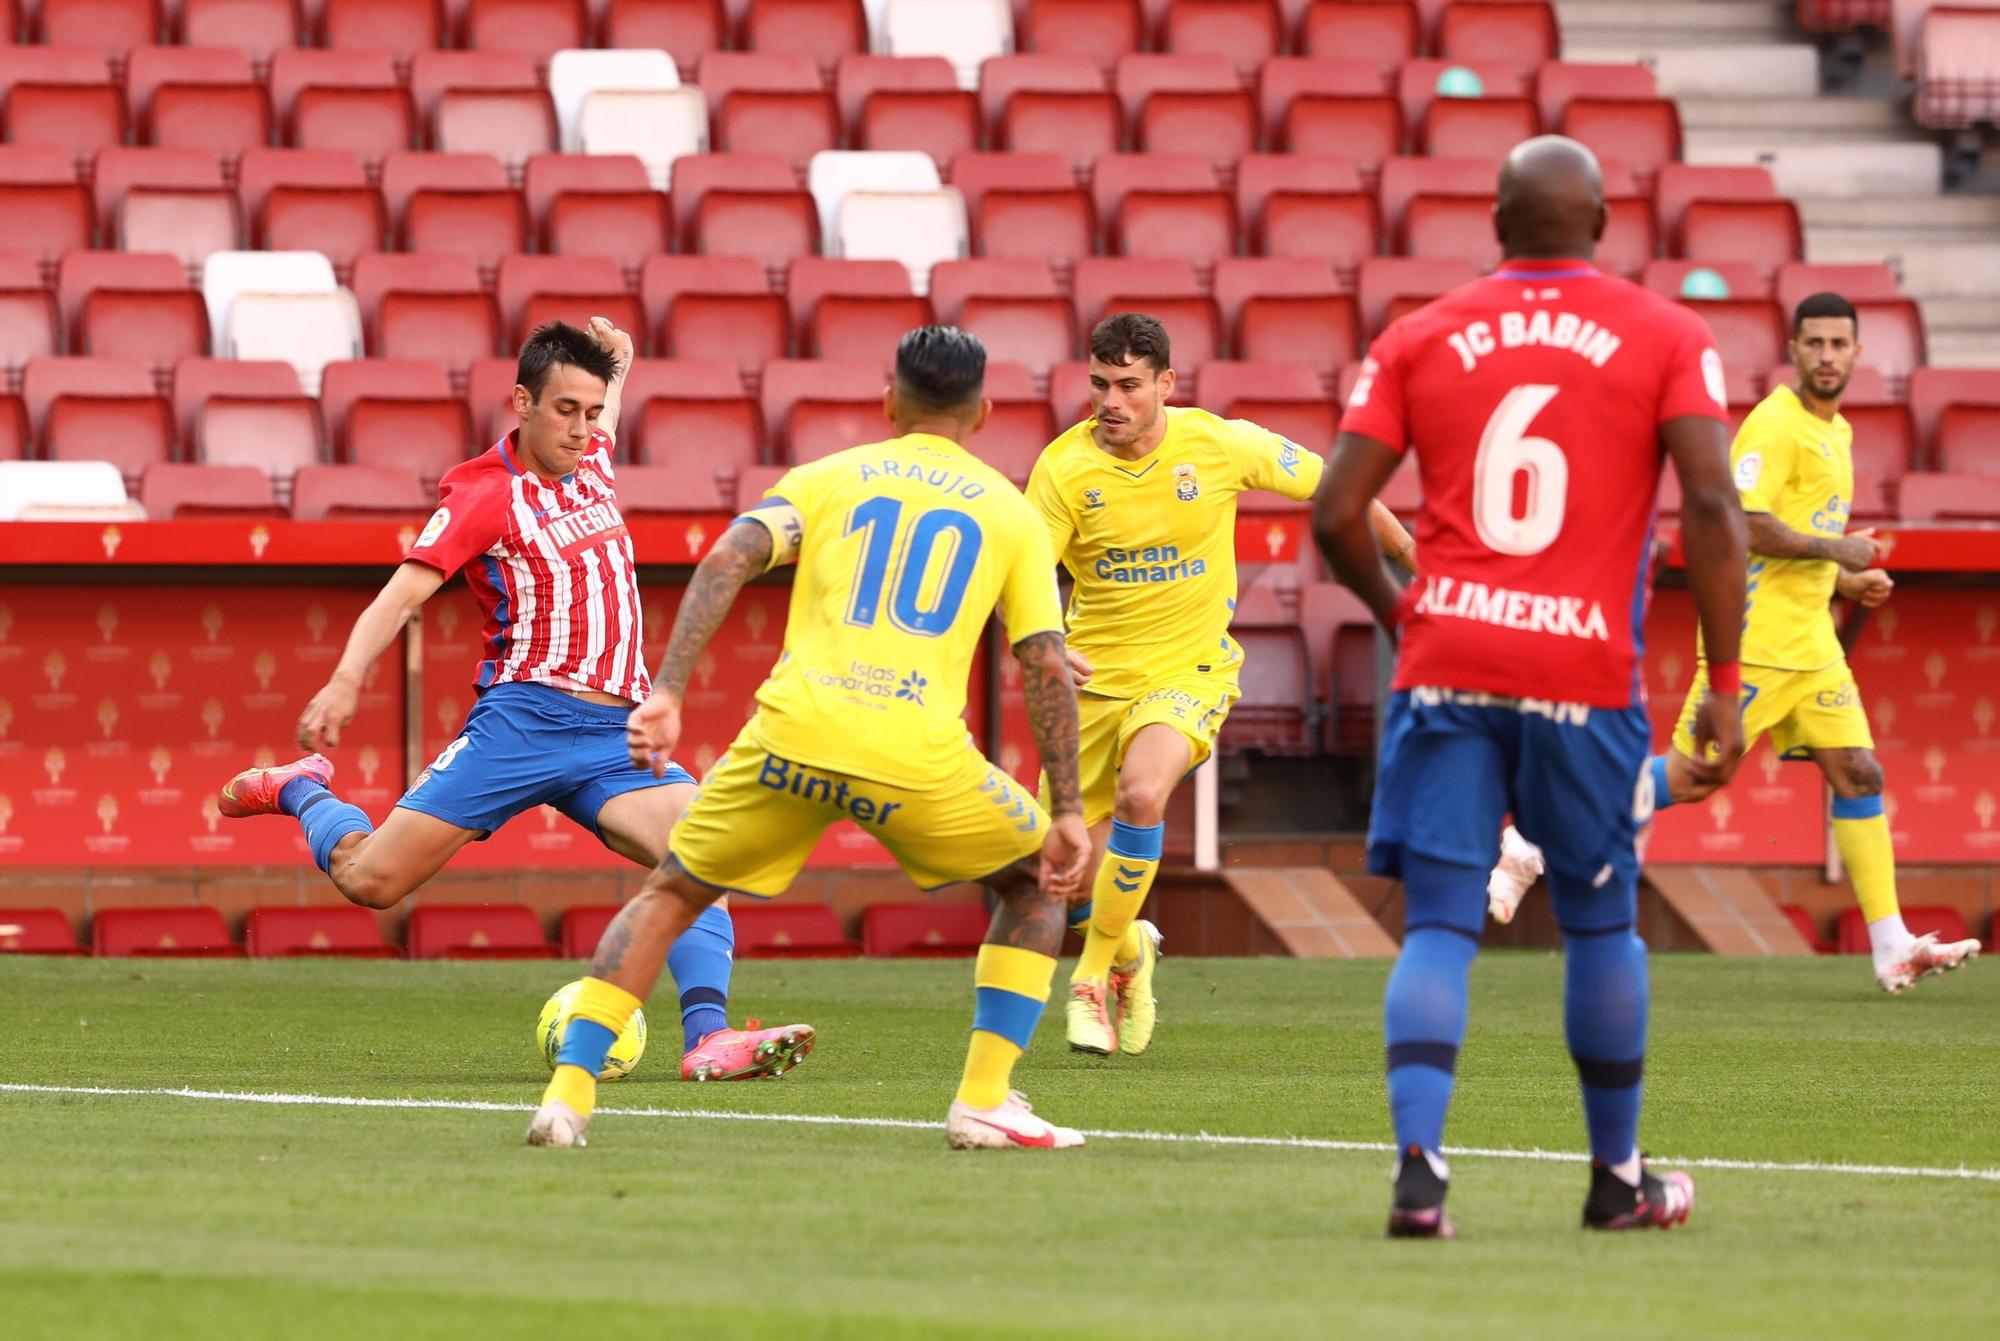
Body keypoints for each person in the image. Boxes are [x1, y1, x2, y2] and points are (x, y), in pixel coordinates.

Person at [1313, 136, 1751, 1237]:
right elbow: (1709, 506)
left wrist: (1403, 613)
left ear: (1497, 225)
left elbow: (1330, 512)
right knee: (1599, 923)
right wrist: (1726, 680)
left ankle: (1419, 1179)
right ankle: (1615, 1184)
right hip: (1581, 671)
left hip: (1448, 659)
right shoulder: (1666, 335)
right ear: (1601, 219)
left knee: (1439, 928)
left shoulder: (1418, 336)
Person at [526, 326, 1092, 1151]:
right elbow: (1044, 664)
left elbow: (727, 558)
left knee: (672, 892)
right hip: (914, 751)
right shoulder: (1011, 513)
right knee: (1041, 880)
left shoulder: (829, 477)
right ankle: (983, 1100)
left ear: (890, 402)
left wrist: (671, 688)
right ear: (984, 413)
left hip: (791, 736)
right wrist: (1068, 807)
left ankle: (567, 1097)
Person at [215, 320, 813, 1084]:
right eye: (565, 409)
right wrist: (344, 678)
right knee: (371, 881)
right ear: (522, 402)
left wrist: (618, 365)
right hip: (523, 721)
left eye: (593, 413)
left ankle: (709, 1037)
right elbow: (401, 595)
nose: (582, 427)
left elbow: (603, 402)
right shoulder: (484, 494)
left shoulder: (592, 457)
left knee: (702, 855)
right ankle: (301, 787)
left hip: (614, 733)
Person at [1486, 294, 1982, 992]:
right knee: (1692, 776)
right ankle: (1535, 832)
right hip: (1756, 639)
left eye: (1841, 344)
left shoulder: (1833, 433)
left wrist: (1843, 581)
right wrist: (1840, 546)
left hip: (1811, 645)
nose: (1828, 356)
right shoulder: (1775, 425)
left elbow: (1793, 541)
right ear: (1795, 348)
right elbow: (1741, 521)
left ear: (1859, 353)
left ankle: (1891, 943)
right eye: (1815, 344)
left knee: (1861, 773)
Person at [1026, 314, 1411, 1060]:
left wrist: (1411, 556)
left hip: (1188, 671)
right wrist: (1049, 639)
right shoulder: (1062, 470)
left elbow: (1340, 487)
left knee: (1145, 792)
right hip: (1095, 684)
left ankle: (1089, 982)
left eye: (1130, 386)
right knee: (1065, 878)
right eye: (1100, 384)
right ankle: (1129, 946)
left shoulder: (1219, 442)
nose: (1111, 401)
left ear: (1166, 385)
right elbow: (1030, 573)